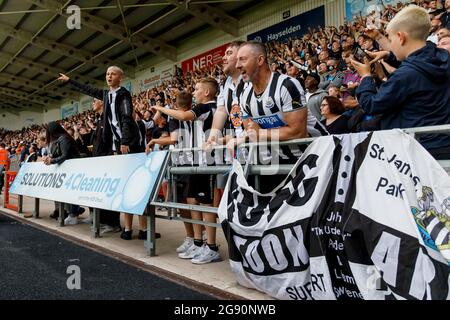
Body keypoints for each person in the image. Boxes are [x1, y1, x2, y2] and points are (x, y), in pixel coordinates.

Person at [352, 5, 450, 159]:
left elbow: (371, 105)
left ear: (401, 37)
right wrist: (388, 55)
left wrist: (365, 77)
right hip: (442, 144)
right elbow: (419, 65)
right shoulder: (442, 56)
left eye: (391, 39)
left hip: (418, 153)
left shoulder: (404, 75)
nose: (390, 44)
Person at [58, 67, 144, 239]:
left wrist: (125, 141)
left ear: (121, 77)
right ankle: (127, 227)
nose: (109, 76)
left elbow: (126, 117)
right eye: (107, 74)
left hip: (131, 144)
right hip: (119, 146)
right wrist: (70, 81)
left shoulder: (124, 94)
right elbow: (88, 89)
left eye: (112, 74)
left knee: (136, 185)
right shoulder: (106, 95)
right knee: (125, 185)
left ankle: (142, 229)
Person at [235, 41, 328, 193]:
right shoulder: (245, 96)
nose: (238, 65)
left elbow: (298, 132)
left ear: (260, 60)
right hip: (280, 161)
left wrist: (261, 133)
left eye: (243, 59)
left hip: (317, 156)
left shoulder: (287, 85)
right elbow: (251, 132)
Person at [153, 79, 222, 265]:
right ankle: (199, 243)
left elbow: (183, 116)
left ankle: (212, 247)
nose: (195, 91)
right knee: (196, 202)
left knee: (206, 205)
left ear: (207, 92)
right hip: (198, 160)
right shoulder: (207, 108)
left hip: (208, 161)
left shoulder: (208, 107)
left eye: (198, 89)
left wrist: (161, 108)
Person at [43, 121, 84, 225]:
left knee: (73, 193)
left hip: (74, 170)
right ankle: (73, 213)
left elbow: (65, 155)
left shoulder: (64, 138)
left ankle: (73, 215)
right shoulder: (61, 138)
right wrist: (51, 158)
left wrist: (52, 161)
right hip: (70, 170)